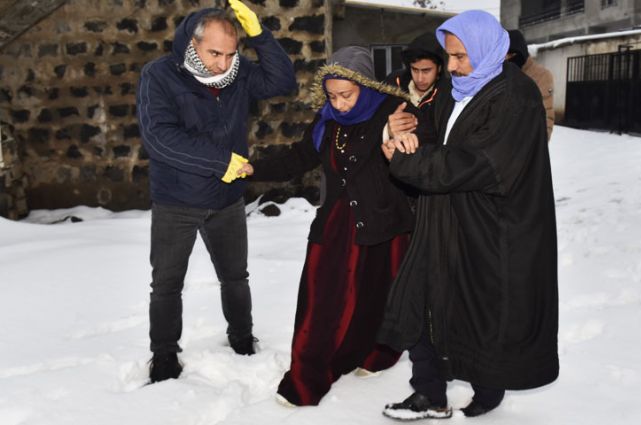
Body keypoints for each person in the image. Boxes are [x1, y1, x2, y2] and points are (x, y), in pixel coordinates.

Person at [378, 11, 559, 420]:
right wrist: (400, 135)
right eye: (449, 56)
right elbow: (435, 136)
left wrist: (407, 163)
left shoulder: (515, 97)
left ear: (486, 49)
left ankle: (488, 388)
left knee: (480, 312)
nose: (453, 65)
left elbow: (478, 162)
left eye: (461, 56)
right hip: (440, 217)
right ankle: (430, 392)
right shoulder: (454, 88)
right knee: (423, 302)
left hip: (488, 227)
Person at [239, 46, 436, 406]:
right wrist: (254, 168)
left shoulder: (396, 113)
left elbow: (420, 144)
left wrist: (393, 134)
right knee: (321, 300)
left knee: (376, 297)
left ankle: (376, 354)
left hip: (385, 222)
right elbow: (299, 157)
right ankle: (306, 379)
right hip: (336, 222)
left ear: (365, 85)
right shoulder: (327, 120)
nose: (340, 104)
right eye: (332, 96)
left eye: (347, 95)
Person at [135, 1, 296, 383]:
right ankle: (164, 355)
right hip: (176, 200)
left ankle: (242, 339)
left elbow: (283, 82)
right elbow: (159, 138)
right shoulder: (159, 75)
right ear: (193, 44)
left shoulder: (238, 72)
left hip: (226, 199)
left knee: (235, 277)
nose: (223, 64)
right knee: (167, 284)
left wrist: (259, 36)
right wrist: (220, 161)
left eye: (230, 53)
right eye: (214, 54)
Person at [385, 32, 447, 120]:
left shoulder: (447, 94)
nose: (420, 79)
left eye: (426, 71)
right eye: (415, 70)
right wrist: (387, 127)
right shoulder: (392, 83)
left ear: (439, 68)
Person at [507, 29, 555, 142]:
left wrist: (538, 144)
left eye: (511, 54)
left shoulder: (541, 75)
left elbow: (546, 115)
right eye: (504, 55)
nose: (507, 59)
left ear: (522, 52)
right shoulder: (502, 72)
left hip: (527, 143)